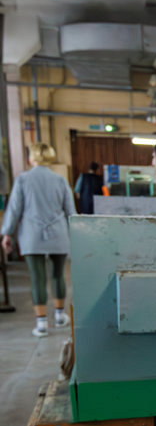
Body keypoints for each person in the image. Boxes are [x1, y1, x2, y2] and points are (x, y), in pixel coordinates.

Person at [1, 143, 76, 337]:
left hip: (32, 235)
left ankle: (41, 324)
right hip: (58, 234)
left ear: (31, 158)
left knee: (37, 278)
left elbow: (14, 209)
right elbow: (71, 211)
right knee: (58, 276)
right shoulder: (60, 180)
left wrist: (7, 233)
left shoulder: (23, 179)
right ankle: (59, 316)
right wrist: (77, 234)